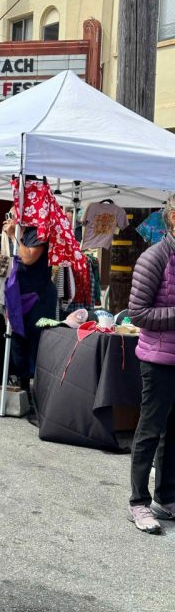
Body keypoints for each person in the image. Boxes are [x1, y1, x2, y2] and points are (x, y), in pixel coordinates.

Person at [127, 193, 175, 534]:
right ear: (173, 218)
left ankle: (166, 498)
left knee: (173, 434)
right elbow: (138, 313)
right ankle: (138, 503)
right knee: (149, 431)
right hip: (158, 359)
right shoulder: (154, 257)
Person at [2, 210, 57, 398]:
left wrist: (13, 235)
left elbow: (28, 257)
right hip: (19, 296)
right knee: (18, 340)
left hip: (39, 297)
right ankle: (22, 386)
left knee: (37, 342)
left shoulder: (38, 233)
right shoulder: (21, 233)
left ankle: (40, 392)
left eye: (13, 214)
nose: (10, 218)